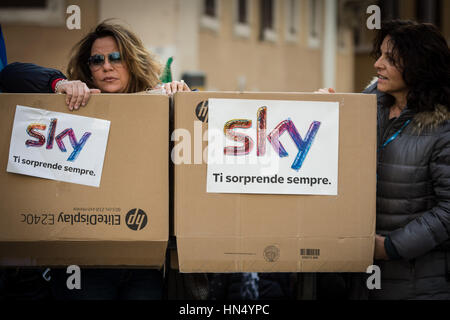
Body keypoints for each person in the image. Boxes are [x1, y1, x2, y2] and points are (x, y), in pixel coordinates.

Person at [0, 19, 190, 300]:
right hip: (81, 264)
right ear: (88, 67)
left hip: (143, 262)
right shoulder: (74, 105)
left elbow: (204, 121)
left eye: (116, 58)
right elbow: (9, 75)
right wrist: (59, 83)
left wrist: (182, 97)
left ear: (133, 60)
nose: (106, 66)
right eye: (96, 60)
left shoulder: (161, 104)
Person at [318, 20, 450, 300]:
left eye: (390, 59)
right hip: (360, 280)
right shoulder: (367, 110)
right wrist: (324, 115)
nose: (377, 64)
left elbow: (448, 210)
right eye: (379, 54)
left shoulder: (443, 129)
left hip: (417, 284)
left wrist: (390, 247)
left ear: (419, 65)